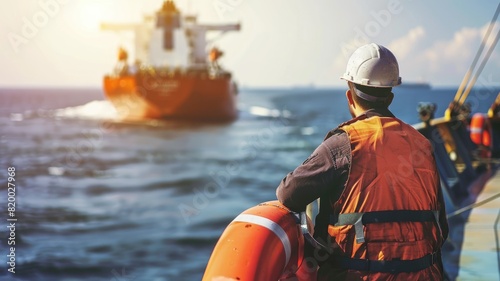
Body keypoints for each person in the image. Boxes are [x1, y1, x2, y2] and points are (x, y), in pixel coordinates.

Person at [276, 43, 449, 280]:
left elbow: (288, 193)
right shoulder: (423, 145)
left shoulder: (343, 144)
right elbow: (441, 228)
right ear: (390, 96)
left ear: (350, 95)